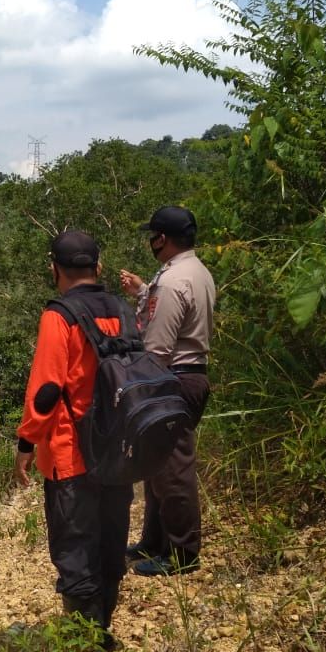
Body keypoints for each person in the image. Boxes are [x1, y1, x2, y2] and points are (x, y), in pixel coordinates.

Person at [14, 229, 133, 651]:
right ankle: (101, 632)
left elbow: (46, 389)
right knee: (111, 542)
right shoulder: (122, 308)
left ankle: (85, 649)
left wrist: (27, 443)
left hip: (71, 453)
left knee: (75, 549)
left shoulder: (59, 315)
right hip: (120, 451)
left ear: (54, 269)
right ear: (98, 267)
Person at [118, 205, 215, 577]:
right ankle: (155, 543)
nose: (150, 242)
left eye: (152, 236)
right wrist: (143, 290)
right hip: (188, 373)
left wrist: (136, 382)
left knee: (173, 469)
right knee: (156, 465)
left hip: (173, 377)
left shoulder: (174, 281)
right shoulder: (195, 271)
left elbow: (158, 343)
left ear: (162, 238)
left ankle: (182, 554)